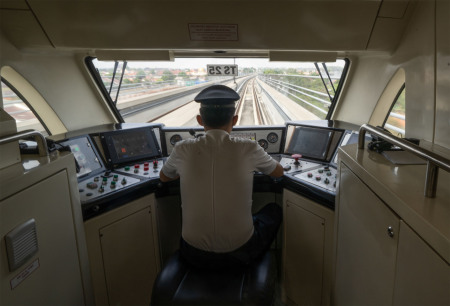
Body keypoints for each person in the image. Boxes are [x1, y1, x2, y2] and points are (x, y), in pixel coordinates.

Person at [160, 84, 284, 269]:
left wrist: (187, 170)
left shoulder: (182, 149)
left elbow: (163, 177)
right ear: (234, 119)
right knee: (273, 210)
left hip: (192, 253)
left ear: (200, 120)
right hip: (240, 253)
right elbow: (278, 172)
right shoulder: (249, 148)